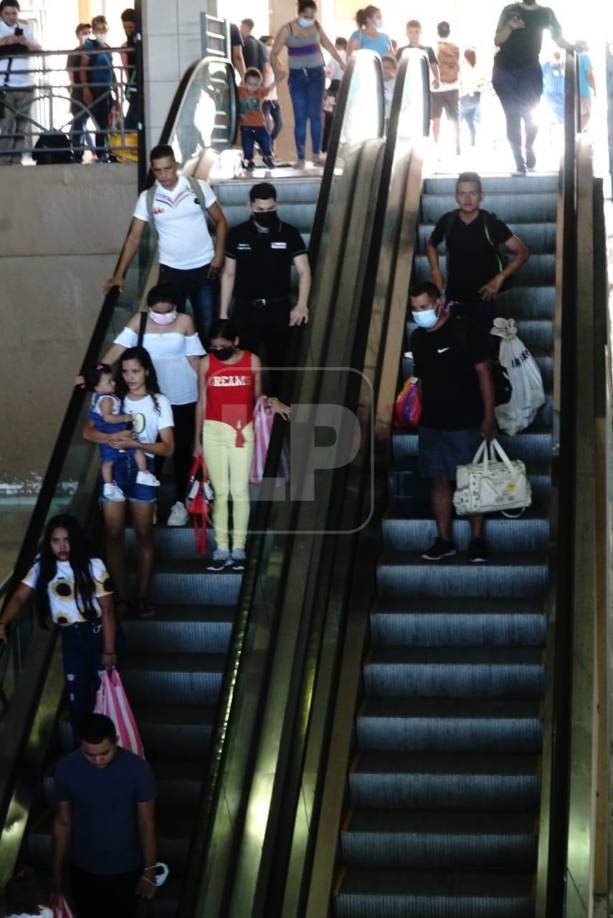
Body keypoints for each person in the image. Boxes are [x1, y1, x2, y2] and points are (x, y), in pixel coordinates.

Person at [0, 515, 117, 736]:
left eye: (67, 540)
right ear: (49, 542)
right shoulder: (42, 565)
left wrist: (109, 649)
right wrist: (3, 623)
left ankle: (109, 748)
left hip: (97, 633)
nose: (62, 546)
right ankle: (82, 751)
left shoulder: (93, 565)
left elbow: (108, 610)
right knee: (77, 697)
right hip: (71, 637)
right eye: (56, 541)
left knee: (106, 692)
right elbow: (18, 597)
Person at [100, 284, 205, 528]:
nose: (164, 317)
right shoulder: (139, 320)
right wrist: (95, 374)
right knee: (147, 451)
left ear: (176, 308)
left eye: (168, 312)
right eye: (158, 312)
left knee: (180, 453)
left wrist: (210, 384)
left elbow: (194, 358)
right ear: (149, 308)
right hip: (149, 398)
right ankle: (150, 501)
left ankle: (181, 502)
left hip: (183, 396)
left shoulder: (186, 321)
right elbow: (118, 348)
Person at [82, 348, 175, 620]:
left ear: (147, 370)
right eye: (125, 371)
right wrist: (110, 439)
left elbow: (168, 447)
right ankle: (122, 597)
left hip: (143, 466)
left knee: (144, 533)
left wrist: (135, 443)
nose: (130, 377)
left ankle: (143, 594)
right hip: (115, 468)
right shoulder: (113, 397)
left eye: (135, 371)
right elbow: (88, 431)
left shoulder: (159, 401)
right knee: (113, 534)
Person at [104, 144, 228, 344]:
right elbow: (134, 237)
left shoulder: (197, 187)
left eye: (168, 168)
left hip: (205, 269)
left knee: (207, 327)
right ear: (153, 171)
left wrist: (219, 255)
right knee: (169, 328)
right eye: (158, 171)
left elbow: (221, 221)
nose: (164, 175)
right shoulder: (148, 198)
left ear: (176, 165)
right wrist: (119, 274)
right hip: (171, 271)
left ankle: (205, 372)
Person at [409, 281, 496, 563]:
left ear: (438, 303)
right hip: (432, 423)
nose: (419, 314)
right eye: (414, 309)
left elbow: (484, 374)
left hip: (466, 421)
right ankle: (444, 539)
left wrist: (488, 416)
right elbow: (420, 379)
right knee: (438, 481)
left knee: (471, 481)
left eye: (423, 307)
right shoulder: (418, 338)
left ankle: (477, 539)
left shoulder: (464, 329)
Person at [194, 319, 290, 572]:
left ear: (236, 342)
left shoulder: (252, 361)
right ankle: (221, 547)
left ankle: (238, 547)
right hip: (213, 429)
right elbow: (201, 402)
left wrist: (272, 400)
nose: (218, 351)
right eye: (214, 347)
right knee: (221, 491)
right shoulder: (206, 363)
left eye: (223, 346)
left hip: (241, 428)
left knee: (239, 490)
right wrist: (197, 439)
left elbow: (258, 397)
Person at [51, 713, 156, 918]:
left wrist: (150, 871)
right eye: (90, 755)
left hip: (126, 868)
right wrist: (56, 871)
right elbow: (62, 822)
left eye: (104, 753)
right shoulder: (66, 768)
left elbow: (146, 822)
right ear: (80, 744)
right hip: (83, 866)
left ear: (115, 741)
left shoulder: (138, 769)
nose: (98, 760)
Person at [220, 182, 311, 397]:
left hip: (278, 309)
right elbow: (229, 274)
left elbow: (304, 271)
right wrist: (223, 313)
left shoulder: (288, 233)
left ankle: (281, 414)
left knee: (280, 366)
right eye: (260, 210)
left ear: (276, 205)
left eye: (270, 209)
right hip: (245, 309)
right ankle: (246, 411)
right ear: (249, 206)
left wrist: (301, 305)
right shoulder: (237, 234)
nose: (265, 214)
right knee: (243, 365)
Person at [426, 171, 529, 331]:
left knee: (484, 351)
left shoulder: (491, 223)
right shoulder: (448, 221)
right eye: (462, 193)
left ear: (481, 195)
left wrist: (499, 279)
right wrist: (436, 272)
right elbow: (431, 244)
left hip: (484, 299)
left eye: (472, 193)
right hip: (454, 298)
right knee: (457, 348)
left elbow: (522, 251)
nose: (467, 199)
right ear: (456, 196)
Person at [492, 0, 574, 174]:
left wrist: (573, 47)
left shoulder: (546, 13)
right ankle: (517, 158)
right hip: (504, 71)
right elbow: (497, 40)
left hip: (530, 69)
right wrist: (509, 26)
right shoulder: (509, 10)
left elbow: (558, 38)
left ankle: (529, 146)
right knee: (512, 115)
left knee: (530, 114)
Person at [270, 0, 345, 168]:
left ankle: (316, 155)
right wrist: (277, 71)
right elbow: (273, 53)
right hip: (298, 77)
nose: (309, 18)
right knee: (300, 116)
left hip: (317, 74)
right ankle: (301, 158)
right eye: (306, 14)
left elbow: (329, 46)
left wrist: (341, 62)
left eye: (312, 14)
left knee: (316, 115)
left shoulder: (316, 26)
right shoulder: (286, 29)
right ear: (300, 13)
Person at [86, 362, 158, 502]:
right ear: (97, 387)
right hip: (115, 431)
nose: (113, 383)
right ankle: (143, 473)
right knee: (137, 449)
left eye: (112, 380)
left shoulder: (96, 398)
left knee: (108, 461)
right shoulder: (107, 399)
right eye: (109, 382)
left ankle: (108, 486)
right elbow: (107, 417)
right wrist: (124, 418)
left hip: (106, 439)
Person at [0, 0, 41, 165]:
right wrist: (4, 41)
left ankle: (16, 160)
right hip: (4, 85)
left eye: (14, 13)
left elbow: (39, 50)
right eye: (7, 13)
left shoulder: (26, 29)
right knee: (7, 125)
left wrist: (25, 42)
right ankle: (4, 162)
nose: (11, 17)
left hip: (26, 85)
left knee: (22, 127)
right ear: (1, 14)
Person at [80, 15, 117, 163]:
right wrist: (86, 89)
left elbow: (112, 70)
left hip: (107, 89)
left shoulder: (107, 48)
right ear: (94, 30)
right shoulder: (90, 45)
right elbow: (82, 69)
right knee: (100, 122)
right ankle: (101, 154)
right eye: (99, 29)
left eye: (104, 29)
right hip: (96, 89)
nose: (102, 32)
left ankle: (109, 151)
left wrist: (117, 94)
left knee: (108, 122)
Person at [432, 21, 461, 156]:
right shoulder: (455, 46)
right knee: (455, 119)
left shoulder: (433, 46)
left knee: (436, 119)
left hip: (436, 88)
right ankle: (458, 145)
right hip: (453, 86)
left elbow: (430, 66)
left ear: (438, 31)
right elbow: (459, 66)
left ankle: (436, 145)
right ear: (449, 31)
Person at [238, 66, 274, 170]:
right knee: (247, 144)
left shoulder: (260, 92)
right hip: (246, 126)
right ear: (244, 83)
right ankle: (249, 161)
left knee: (265, 141)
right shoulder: (240, 91)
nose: (253, 87)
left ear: (259, 85)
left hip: (259, 125)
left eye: (256, 85)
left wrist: (277, 79)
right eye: (250, 84)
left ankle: (267, 157)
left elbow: (269, 88)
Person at [66, 22, 93, 163]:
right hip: (78, 93)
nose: (87, 36)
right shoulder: (74, 53)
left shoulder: (95, 50)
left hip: (96, 91)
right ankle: (77, 153)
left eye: (89, 32)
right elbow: (70, 72)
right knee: (79, 123)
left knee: (95, 122)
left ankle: (102, 152)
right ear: (78, 35)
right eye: (84, 33)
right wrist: (74, 87)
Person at [395, 19, 440, 94]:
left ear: (421, 33)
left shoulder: (428, 50)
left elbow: (434, 65)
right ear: (406, 33)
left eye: (416, 32)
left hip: (424, 85)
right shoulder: (401, 51)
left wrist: (437, 78)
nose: (414, 35)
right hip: (405, 86)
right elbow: (396, 67)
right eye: (410, 32)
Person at [322, 36, 347, 152]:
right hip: (346, 88)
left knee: (329, 119)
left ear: (337, 45)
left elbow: (329, 74)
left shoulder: (335, 56)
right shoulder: (350, 55)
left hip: (334, 88)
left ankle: (325, 149)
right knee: (343, 119)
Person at [260, 35, 283, 151]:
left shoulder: (273, 61)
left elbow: (280, 69)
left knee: (279, 124)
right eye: (269, 45)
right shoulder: (261, 62)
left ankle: (268, 143)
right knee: (266, 125)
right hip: (264, 99)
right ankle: (267, 150)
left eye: (273, 45)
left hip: (274, 98)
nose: (271, 48)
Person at [460, 48, 485, 147]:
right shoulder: (477, 68)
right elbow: (481, 83)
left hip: (466, 97)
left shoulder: (464, 68)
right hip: (476, 99)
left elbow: (461, 83)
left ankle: (458, 141)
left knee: (459, 118)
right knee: (470, 120)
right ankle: (472, 141)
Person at [120, 8, 138, 130]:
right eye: (126, 28)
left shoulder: (142, 42)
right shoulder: (125, 46)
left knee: (131, 120)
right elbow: (127, 70)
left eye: (131, 27)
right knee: (132, 117)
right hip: (132, 85)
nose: (128, 31)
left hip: (140, 84)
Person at [576, 39, 595, 131]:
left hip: (574, 92)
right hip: (584, 91)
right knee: (586, 115)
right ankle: (577, 134)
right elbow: (590, 75)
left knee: (578, 115)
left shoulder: (574, 57)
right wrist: (595, 88)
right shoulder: (585, 56)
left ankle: (576, 133)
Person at [542, 49, 565, 125]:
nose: (557, 62)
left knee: (564, 112)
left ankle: (560, 123)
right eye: (556, 59)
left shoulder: (563, 66)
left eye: (559, 59)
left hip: (562, 94)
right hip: (550, 94)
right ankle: (560, 123)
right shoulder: (546, 66)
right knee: (559, 110)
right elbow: (539, 78)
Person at [381, 54, 397, 121]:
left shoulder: (398, 84)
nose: (385, 70)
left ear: (395, 70)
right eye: (382, 67)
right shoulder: (374, 84)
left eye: (388, 68)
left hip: (393, 120)